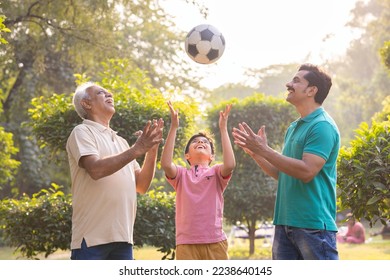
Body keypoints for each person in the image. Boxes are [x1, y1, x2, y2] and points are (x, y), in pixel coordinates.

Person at [232, 63, 340, 260]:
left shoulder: (322, 126)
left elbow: (307, 171)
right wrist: (257, 154)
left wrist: (264, 149)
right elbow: (282, 174)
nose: (288, 84)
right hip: (284, 223)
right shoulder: (293, 127)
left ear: (312, 90)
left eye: (296, 81)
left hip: (313, 226)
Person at [66, 82, 164, 260]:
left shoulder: (122, 142)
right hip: (91, 239)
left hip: (123, 238)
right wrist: (137, 149)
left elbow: (141, 185)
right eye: (101, 93)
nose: (109, 94)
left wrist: (151, 150)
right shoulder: (81, 131)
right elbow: (95, 169)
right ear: (86, 104)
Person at [161, 101, 236, 260]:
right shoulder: (181, 175)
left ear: (212, 157)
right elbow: (166, 164)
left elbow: (230, 164)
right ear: (187, 156)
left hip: (215, 241)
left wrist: (223, 129)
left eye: (205, 142)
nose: (200, 142)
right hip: (186, 243)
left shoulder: (216, 172)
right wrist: (174, 127)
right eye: (195, 142)